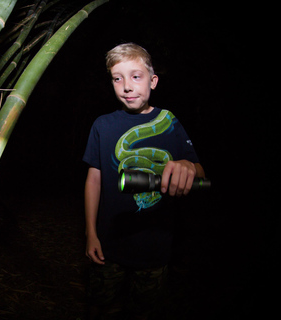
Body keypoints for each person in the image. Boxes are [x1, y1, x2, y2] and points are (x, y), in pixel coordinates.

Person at [83, 42, 205, 319]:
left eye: (136, 76)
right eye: (117, 78)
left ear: (153, 81)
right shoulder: (102, 125)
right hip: (109, 243)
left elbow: (199, 170)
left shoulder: (170, 121)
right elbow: (93, 180)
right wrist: (90, 232)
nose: (126, 86)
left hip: (156, 247)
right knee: (101, 306)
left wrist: (188, 166)